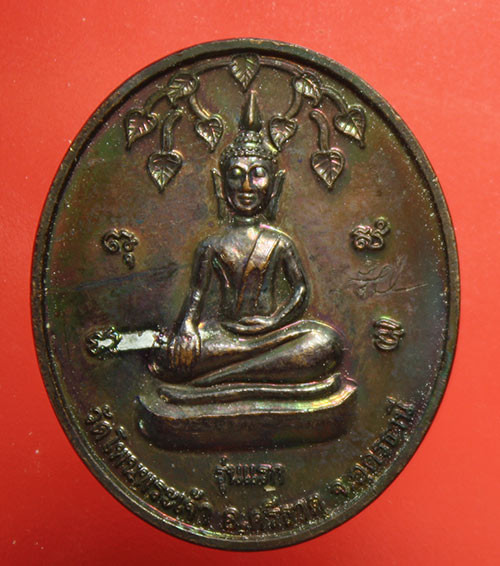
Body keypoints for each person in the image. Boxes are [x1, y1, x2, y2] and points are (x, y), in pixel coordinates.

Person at [150, 93, 343, 387]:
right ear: (221, 184)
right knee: (167, 351)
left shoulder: (279, 243)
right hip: (225, 337)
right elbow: (196, 296)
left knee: (324, 341)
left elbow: (301, 290)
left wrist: (274, 321)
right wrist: (187, 327)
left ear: (274, 184)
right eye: (236, 175)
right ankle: (260, 370)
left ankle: (224, 377)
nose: (246, 186)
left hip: (272, 335)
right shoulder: (212, 245)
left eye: (258, 175)